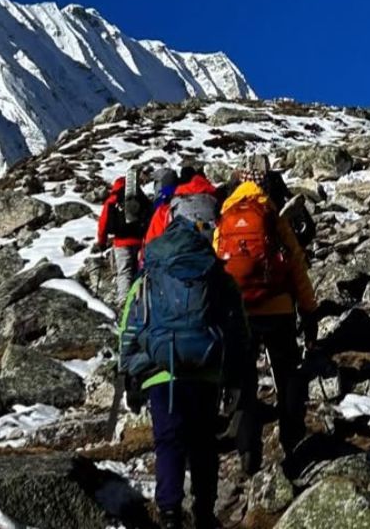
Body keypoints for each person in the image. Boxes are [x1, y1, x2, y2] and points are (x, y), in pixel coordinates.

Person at [119, 216, 249, 529]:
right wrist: (233, 378)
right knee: (204, 442)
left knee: (169, 443)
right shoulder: (214, 274)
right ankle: (204, 513)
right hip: (206, 370)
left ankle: (169, 516)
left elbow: (130, 326)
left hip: (161, 371)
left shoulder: (150, 275)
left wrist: (129, 375)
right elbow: (237, 329)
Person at [215, 176, 319, 476]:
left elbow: (215, 266)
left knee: (243, 382)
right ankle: (292, 443)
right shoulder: (271, 214)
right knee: (286, 376)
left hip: (240, 313)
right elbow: (296, 264)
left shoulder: (226, 216)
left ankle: (248, 451)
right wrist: (309, 310)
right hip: (278, 308)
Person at [96, 171, 153, 304]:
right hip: (140, 241)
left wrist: (101, 241)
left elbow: (103, 223)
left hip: (121, 242)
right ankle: (140, 304)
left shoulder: (113, 199)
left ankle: (124, 303)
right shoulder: (140, 197)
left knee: (124, 272)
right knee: (139, 272)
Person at [147, 166, 220, 245]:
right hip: (213, 253)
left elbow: (151, 243)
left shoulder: (166, 210)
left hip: (179, 254)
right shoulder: (219, 201)